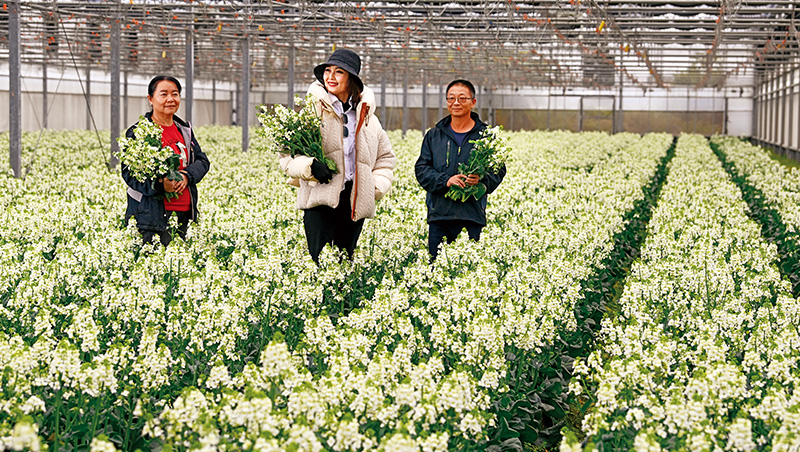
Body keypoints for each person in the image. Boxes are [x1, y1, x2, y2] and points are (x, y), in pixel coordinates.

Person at [279, 48, 396, 263]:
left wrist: (374, 187)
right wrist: (309, 166)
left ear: (351, 79)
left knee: (346, 261)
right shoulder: (311, 113)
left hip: (353, 200)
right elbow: (287, 156)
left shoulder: (369, 119)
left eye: (339, 72)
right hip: (319, 197)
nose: (330, 77)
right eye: (327, 71)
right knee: (320, 262)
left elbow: (386, 159)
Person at [415, 79, 506, 259]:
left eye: (462, 98)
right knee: (435, 269)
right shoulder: (434, 135)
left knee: (470, 270)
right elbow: (422, 169)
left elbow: (498, 169)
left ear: (473, 102)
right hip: (439, 217)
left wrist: (481, 180)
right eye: (451, 98)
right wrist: (445, 180)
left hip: (472, 216)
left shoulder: (486, 136)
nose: (456, 103)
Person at [122, 75, 210, 246]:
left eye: (175, 94)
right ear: (151, 99)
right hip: (151, 219)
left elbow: (202, 160)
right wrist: (160, 185)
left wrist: (186, 176)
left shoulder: (184, 130)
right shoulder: (139, 132)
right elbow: (130, 174)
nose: (170, 99)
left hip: (185, 215)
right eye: (163, 94)